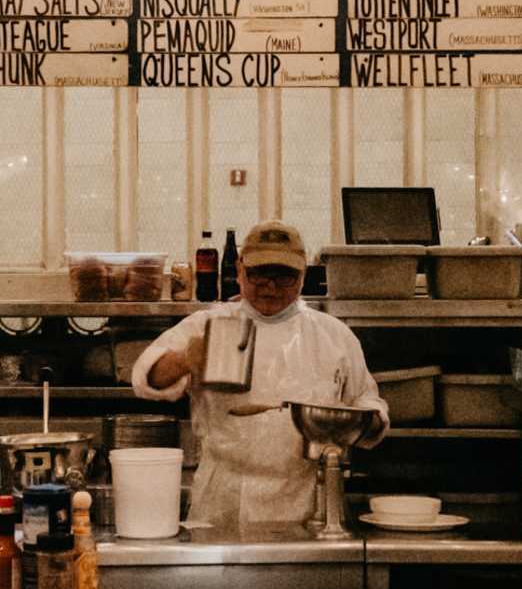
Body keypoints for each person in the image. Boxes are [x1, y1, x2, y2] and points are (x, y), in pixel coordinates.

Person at [126, 222, 383, 540]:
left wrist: (358, 425)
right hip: (224, 499)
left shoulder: (334, 335)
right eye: (258, 274)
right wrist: (184, 360)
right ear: (239, 269)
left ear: (303, 274)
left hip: (308, 504)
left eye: (284, 276)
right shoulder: (210, 324)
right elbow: (144, 379)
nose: (270, 287)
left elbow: (368, 403)